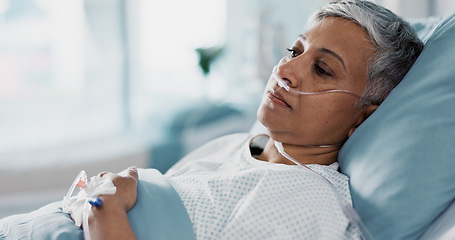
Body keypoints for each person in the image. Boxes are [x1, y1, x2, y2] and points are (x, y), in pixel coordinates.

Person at [85, 1, 424, 239]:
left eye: (322, 69)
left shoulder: (305, 205)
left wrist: (104, 208)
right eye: (295, 51)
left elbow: (112, 204)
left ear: (363, 118)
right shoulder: (232, 146)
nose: (284, 70)